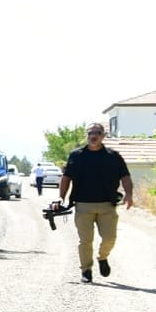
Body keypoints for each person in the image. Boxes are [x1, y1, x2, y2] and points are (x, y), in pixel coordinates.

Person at [58, 121, 134, 283]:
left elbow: (125, 176)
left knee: (110, 238)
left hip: (107, 205)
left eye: (97, 133)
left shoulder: (113, 156)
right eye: (90, 133)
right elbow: (66, 178)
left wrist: (129, 194)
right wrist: (61, 197)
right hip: (83, 205)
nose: (93, 136)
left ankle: (103, 257)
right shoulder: (76, 155)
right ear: (87, 135)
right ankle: (86, 270)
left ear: (103, 136)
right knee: (85, 241)